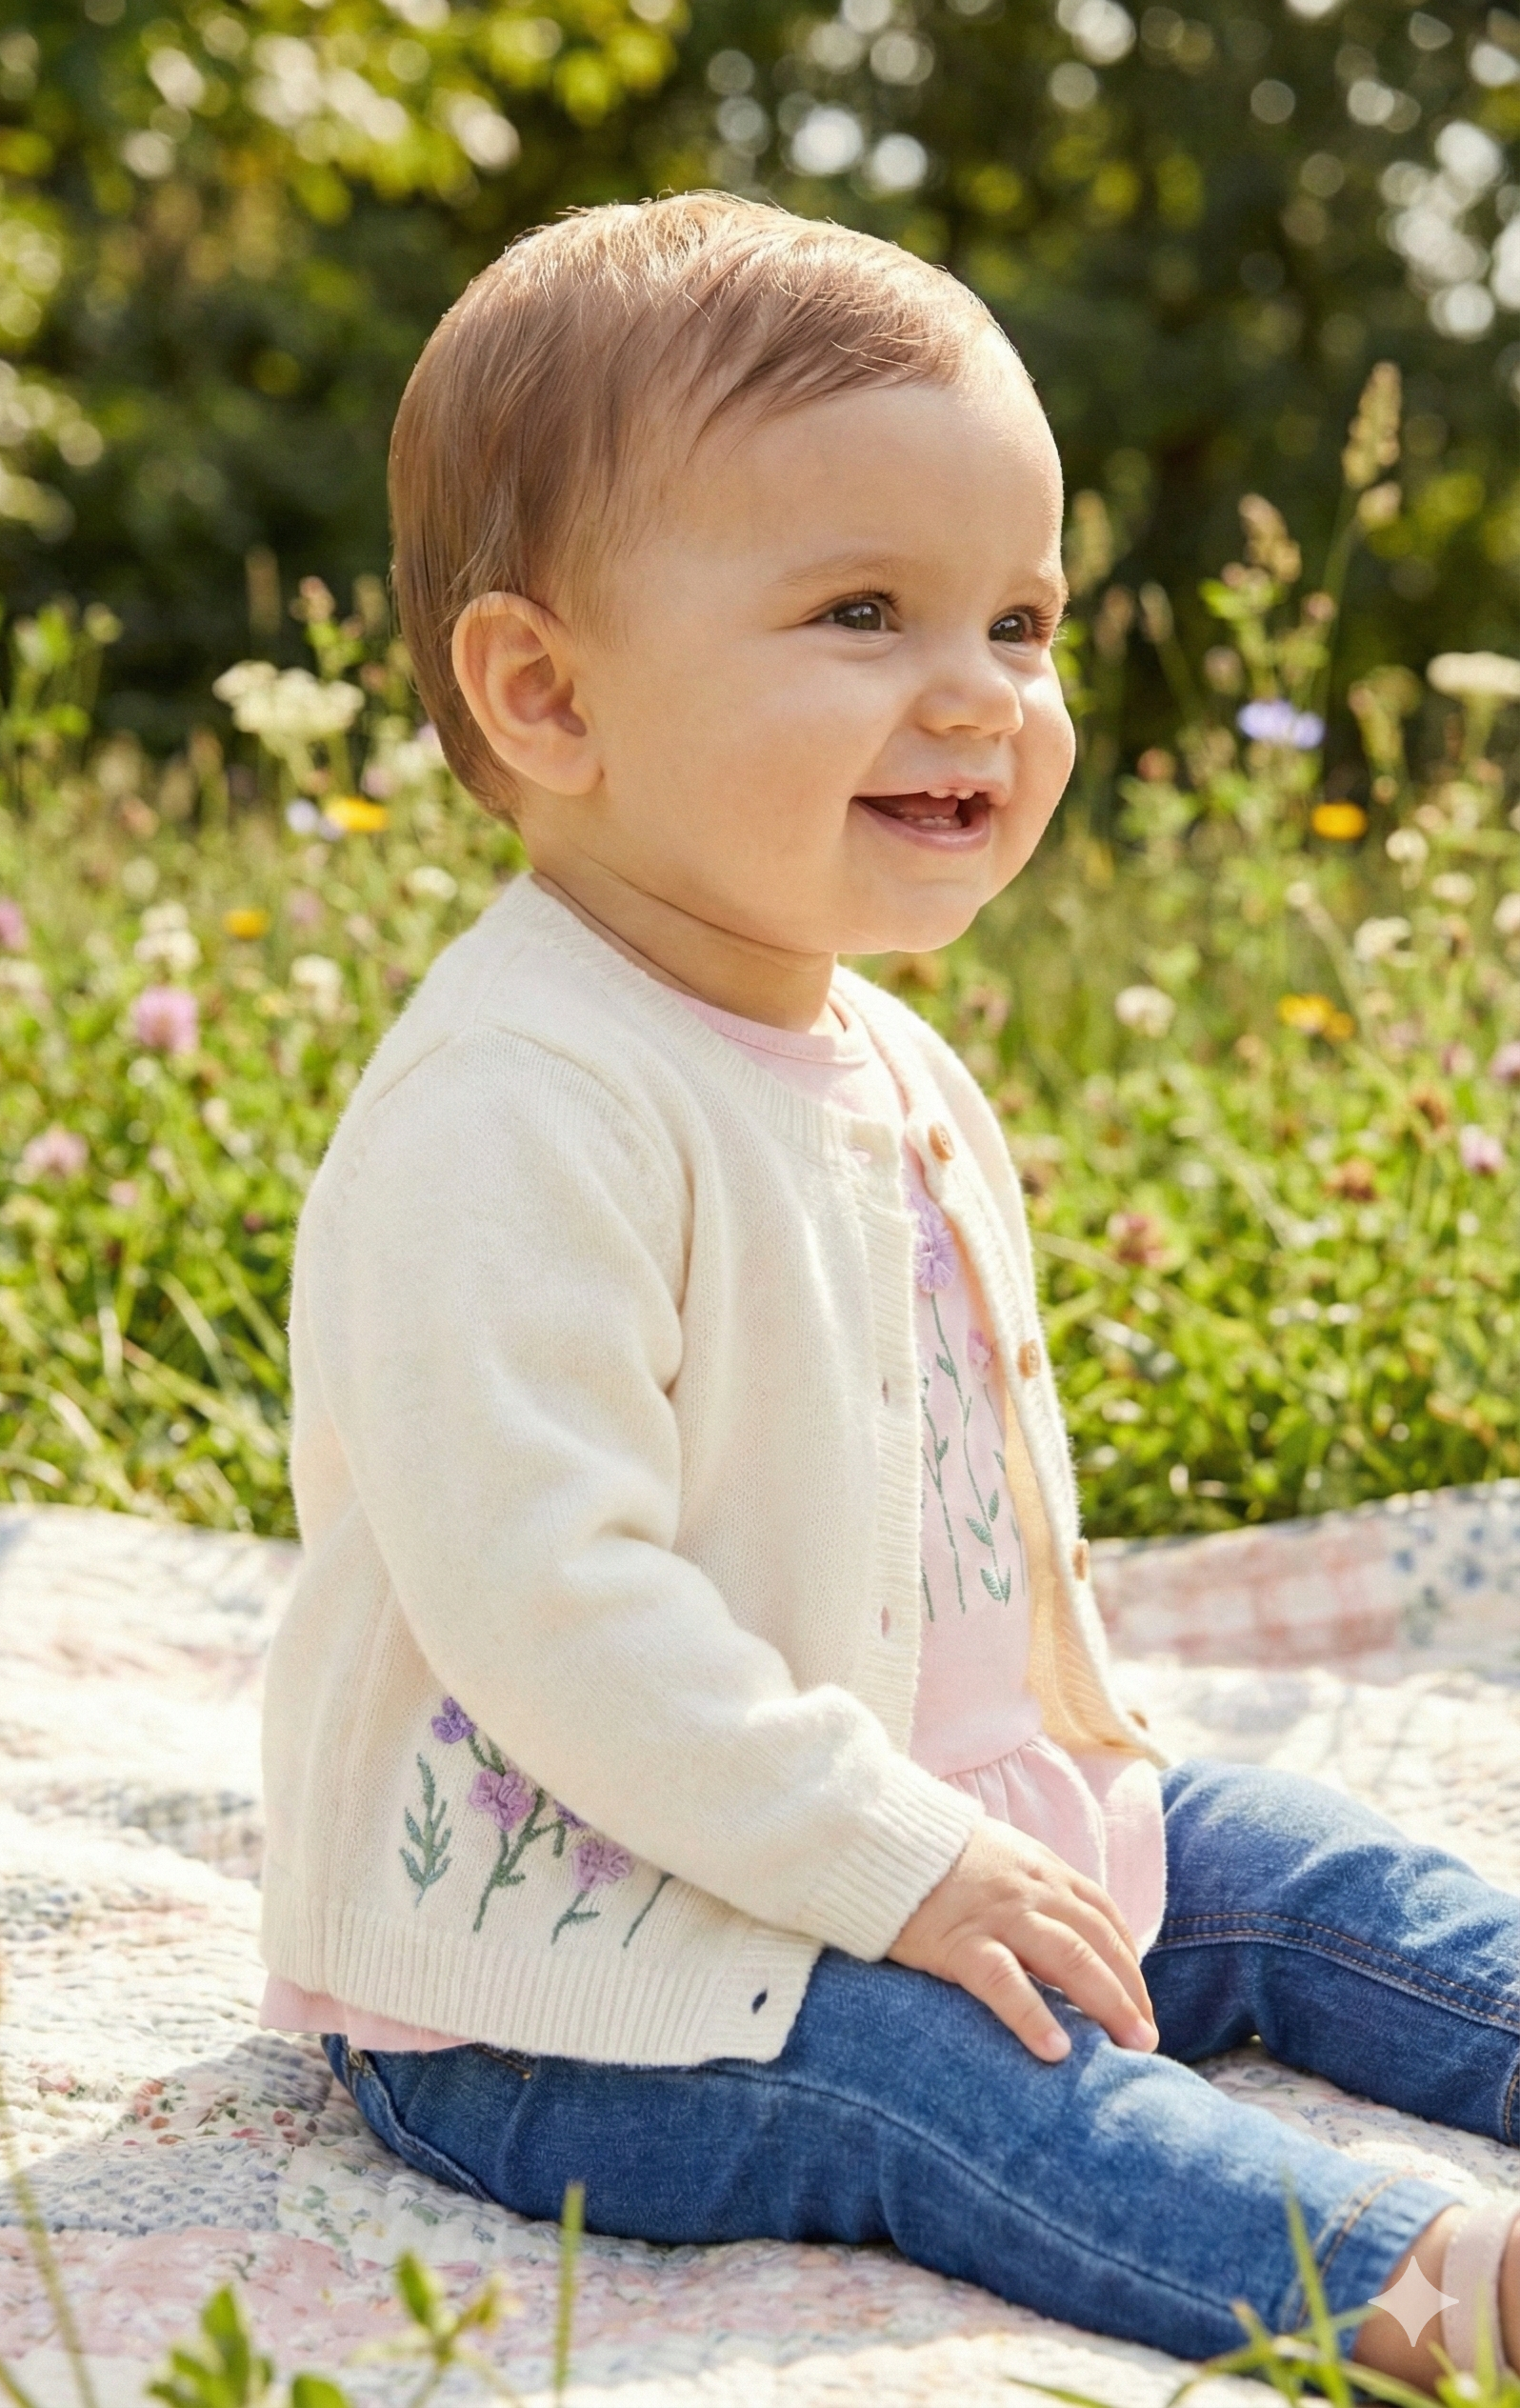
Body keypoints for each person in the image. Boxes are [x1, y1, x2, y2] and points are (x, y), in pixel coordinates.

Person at [259, 193, 1520, 2380]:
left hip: (930, 1812)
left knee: (1301, 1875)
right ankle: (1419, 2281)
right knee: (951, 2098)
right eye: (862, 610)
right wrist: (889, 1862)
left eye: (1017, 620)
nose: (981, 695)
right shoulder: (514, 1104)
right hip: (571, 1962)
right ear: (543, 691)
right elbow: (547, 1600)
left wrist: (1003, 1797)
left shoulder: (875, 1043)